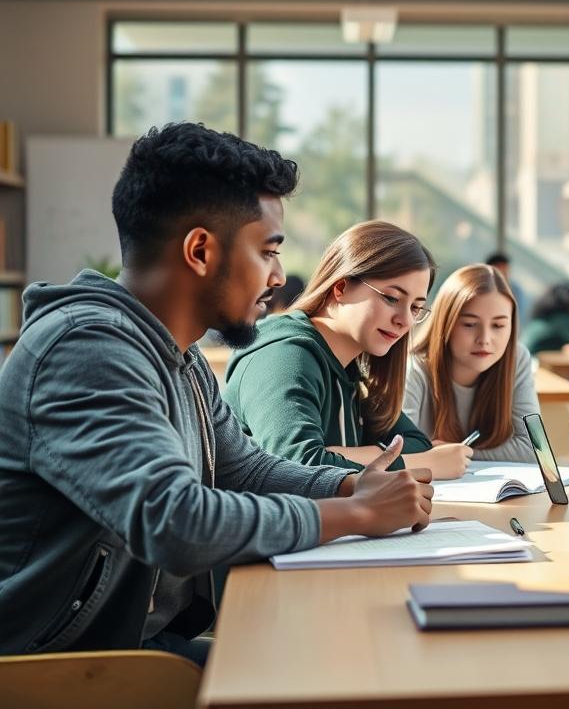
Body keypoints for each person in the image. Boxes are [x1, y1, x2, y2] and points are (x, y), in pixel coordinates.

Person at [0, 124, 432, 662]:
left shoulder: (178, 355)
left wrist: (348, 486)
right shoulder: (86, 351)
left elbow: (245, 472)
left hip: (141, 642)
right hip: (60, 663)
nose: (278, 277)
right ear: (201, 250)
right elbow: (174, 522)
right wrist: (355, 515)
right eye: (268, 252)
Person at [224, 221, 471, 480]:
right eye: (391, 298)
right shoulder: (284, 356)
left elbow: (415, 442)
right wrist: (420, 465)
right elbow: (300, 467)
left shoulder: (351, 367)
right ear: (340, 288)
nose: (405, 320)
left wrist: (339, 454)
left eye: (415, 308)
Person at [404, 264, 540, 463]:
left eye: (498, 325)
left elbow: (534, 449)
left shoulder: (516, 358)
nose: (484, 339)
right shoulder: (413, 367)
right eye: (469, 324)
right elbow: (398, 451)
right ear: (445, 322)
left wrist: (462, 454)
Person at [486, 251, 529, 331]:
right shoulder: (481, 291)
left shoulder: (516, 290)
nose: (503, 277)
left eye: (506, 272)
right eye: (500, 272)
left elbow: (519, 318)